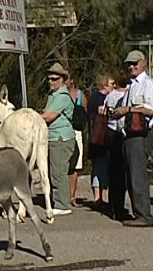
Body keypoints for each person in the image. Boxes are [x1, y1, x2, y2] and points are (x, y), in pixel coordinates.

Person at [112, 50, 153, 227]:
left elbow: (152, 109)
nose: (131, 66)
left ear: (144, 63)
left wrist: (129, 110)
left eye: (135, 63)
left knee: (138, 176)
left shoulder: (148, 84)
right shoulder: (132, 85)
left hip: (140, 135)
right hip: (128, 134)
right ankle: (138, 213)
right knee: (131, 175)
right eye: (129, 64)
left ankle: (144, 215)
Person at [41, 63, 76, 216]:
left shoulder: (62, 96)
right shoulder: (53, 95)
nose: (51, 82)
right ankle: (58, 201)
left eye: (54, 79)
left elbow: (48, 116)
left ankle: (62, 204)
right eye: (49, 79)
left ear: (62, 80)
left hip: (61, 139)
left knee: (58, 172)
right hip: (53, 138)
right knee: (54, 170)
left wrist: (31, 116)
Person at [102, 75, 129, 221]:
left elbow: (104, 111)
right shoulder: (126, 95)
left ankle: (112, 203)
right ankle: (119, 205)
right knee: (121, 172)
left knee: (112, 169)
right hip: (119, 133)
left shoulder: (111, 95)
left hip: (109, 131)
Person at [87, 73, 115, 208]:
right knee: (100, 166)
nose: (114, 86)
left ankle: (100, 196)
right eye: (111, 84)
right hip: (99, 136)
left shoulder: (94, 96)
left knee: (100, 166)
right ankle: (98, 197)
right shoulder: (100, 97)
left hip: (97, 136)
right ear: (105, 84)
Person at [66, 76, 88, 207]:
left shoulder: (80, 94)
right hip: (63, 130)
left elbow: (85, 111)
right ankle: (62, 195)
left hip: (77, 130)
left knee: (76, 165)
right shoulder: (58, 95)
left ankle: (72, 196)